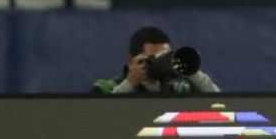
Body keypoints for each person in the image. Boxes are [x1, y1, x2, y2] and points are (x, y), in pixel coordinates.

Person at [91, 26, 221, 94]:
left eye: (165, 56)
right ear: (131, 61)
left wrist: (191, 70)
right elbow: (94, 118)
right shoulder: (106, 87)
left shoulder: (180, 88)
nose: (160, 62)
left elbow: (219, 103)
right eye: (153, 58)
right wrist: (128, 85)